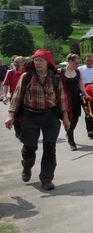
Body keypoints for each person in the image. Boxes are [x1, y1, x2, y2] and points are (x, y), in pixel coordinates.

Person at [4, 49, 71, 191]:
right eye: (35, 60)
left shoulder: (55, 78)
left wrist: (65, 117)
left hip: (50, 116)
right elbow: (16, 96)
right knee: (29, 147)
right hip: (30, 116)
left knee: (49, 148)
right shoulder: (26, 76)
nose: (37, 63)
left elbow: (63, 99)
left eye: (41, 60)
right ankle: (27, 166)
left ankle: (46, 179)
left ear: (48, 63)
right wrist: (11, 115)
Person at [61, 53, 87, 151]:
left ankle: (69, 132)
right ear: (70, 61)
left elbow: (81, 85)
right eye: (76, 63)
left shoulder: (78, 72)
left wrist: (86, 94)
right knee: (68, 118)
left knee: (75, 118)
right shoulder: (61, 72)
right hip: (65, 98)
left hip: (76, 98)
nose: (77, 65)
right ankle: (72, 141)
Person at [78, 53, 93, 138]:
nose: (89, 62)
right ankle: (90, 130)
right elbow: (79, 82)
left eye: (91, 60)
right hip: (85, 92)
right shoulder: (80, 69)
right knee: (88, 112)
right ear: (85, 61)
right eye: (87, 60)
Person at [2, 56, 26, 140]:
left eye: (19, 62)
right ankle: (18, 131)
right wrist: (4, 96)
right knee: (15, 115)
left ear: (23, 63)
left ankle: (25, 132)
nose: (17, 64)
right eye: (15, 62)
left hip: (26, 96)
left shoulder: (27, 72)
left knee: (26, 114)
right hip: (14, 97)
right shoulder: (10, 72)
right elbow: (5, 85)